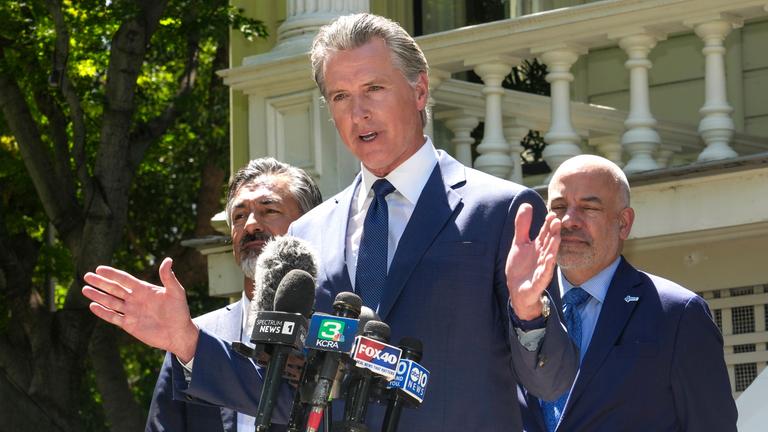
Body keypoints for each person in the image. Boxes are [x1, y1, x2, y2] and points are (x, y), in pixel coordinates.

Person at [82, 13, 579, 432]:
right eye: (340, 97)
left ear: (419, 90)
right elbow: (285, 398)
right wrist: (187, 341)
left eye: (374, 89)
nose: (358, 112)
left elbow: (552, 382)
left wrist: (529, 313)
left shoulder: (501, 212)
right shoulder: (305, 236)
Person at [517, 154, 737, 432]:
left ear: (623, 223)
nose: (569, 220)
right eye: (559, 207)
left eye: (588, 207)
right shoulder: (518, 308)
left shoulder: (678, 314)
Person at [145, 157, 322, 432]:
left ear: (309, 224)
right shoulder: (193, 335)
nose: (250, 225)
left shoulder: (333, 334)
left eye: (269, 210)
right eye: (239, 216)